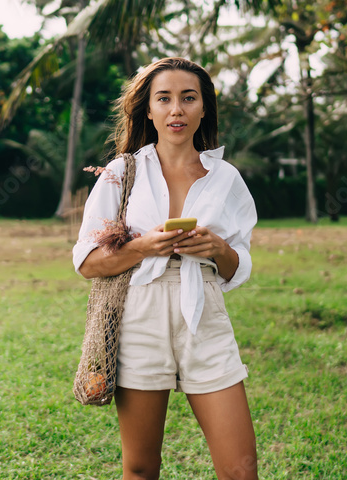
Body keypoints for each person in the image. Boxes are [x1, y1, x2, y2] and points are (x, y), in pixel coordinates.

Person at [73, 57, 258, 480]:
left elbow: (238, 267)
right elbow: (87, 262)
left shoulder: (226, 178)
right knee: (140, 469)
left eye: (188, 98)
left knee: (240, 471)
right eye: (164, 99)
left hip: (205, 316)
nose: (177, 109)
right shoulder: (121, 173)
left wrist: (217, 248)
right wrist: (143, 247)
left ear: (204, 109)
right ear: (149, 110)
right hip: (139, 315)